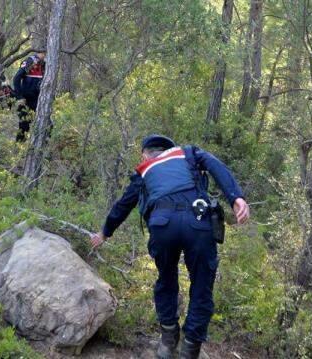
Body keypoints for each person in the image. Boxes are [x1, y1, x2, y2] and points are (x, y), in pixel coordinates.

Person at [90, 134, 250, 359]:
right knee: (202, 285)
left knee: (166, 279)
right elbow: (215, 165)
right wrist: (236, 197)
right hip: (199, 222)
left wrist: (104, 233)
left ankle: (167, 340)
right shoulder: (188, 153)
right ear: (169, 150)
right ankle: (190, 348)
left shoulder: (145, 170)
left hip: (162, 225)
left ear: (145, 154)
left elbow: (124, 204)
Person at [12, 51, 46, 141]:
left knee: (43, 124)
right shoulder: (29, 61)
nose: (46, 55)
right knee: (24, 126)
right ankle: (19, 149)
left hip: (37, 100)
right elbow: (16, 79)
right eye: (45, 53)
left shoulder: (44, 64)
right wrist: (19, 97)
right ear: (41, 52)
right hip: (26, 100)